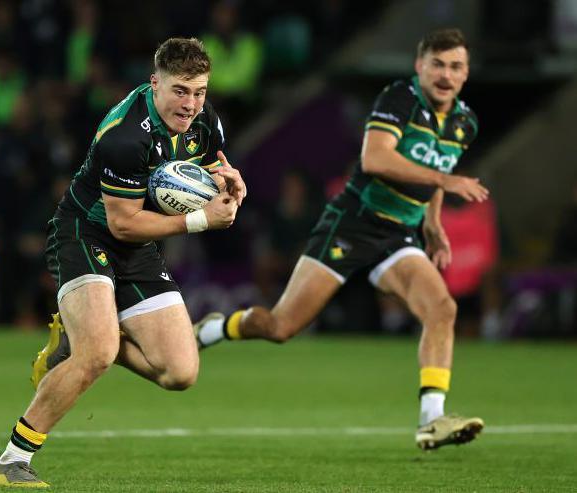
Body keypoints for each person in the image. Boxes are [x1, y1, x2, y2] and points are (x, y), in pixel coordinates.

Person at [194, 28, 489, 450]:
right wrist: (444, 179)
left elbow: (438, 170)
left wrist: (432, 223)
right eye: (437, 64)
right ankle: (215, 329)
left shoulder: (464, 123)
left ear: (465, 73)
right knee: (280, 326)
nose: (446, 74)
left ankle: (432, 420)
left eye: (455, 66)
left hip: (398, 235)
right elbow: (376, 158)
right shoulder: (400, 99)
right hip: (353, 222)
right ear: (419, 66)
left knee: (442, 308)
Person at [0, 37, 246, 487]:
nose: (191, 104)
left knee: (181, 373)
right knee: (98, 353)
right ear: (154, 83)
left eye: (200, 91)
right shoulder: (125, 135)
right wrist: (202, 220)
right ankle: (9, 462)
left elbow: (210, 171)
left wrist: (233, 185)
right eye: (180, 91)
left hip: (136, 244)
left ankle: (82, 328)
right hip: (85, 233)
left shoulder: (206, 123)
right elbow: (122, 223)